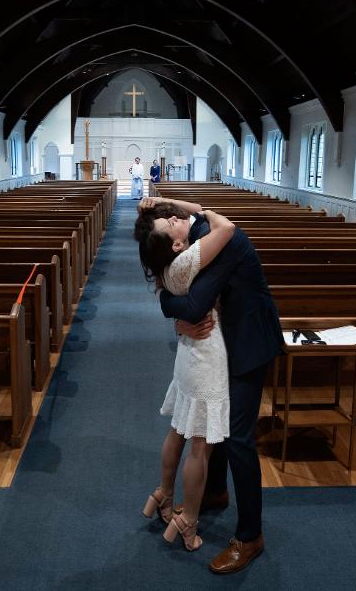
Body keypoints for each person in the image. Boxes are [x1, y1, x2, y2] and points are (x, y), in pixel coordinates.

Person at [136, 195, 284, 575]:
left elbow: (192, 304)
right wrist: (176, 315)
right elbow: (178, 296)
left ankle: (250, 536)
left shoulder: (222, 240)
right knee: (215, 423)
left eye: (172, 217)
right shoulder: (204, 232)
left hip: (248, 341)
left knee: (237, 438)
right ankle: (216, 491)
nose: (173, 216)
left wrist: (178, 316)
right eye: (168, 220)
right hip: (227, 339)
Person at [135, 197, 235, 553]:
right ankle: (188, 521)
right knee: (200, 447)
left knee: (178, 428)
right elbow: (227, 228)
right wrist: (203, 210)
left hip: (188, 356)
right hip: (207, 358)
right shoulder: (187, 260)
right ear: (176, 245)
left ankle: (163, 494)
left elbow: (153, 233)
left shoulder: (166, 266)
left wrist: (155, 209)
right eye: (172, 224)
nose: (179, 219)